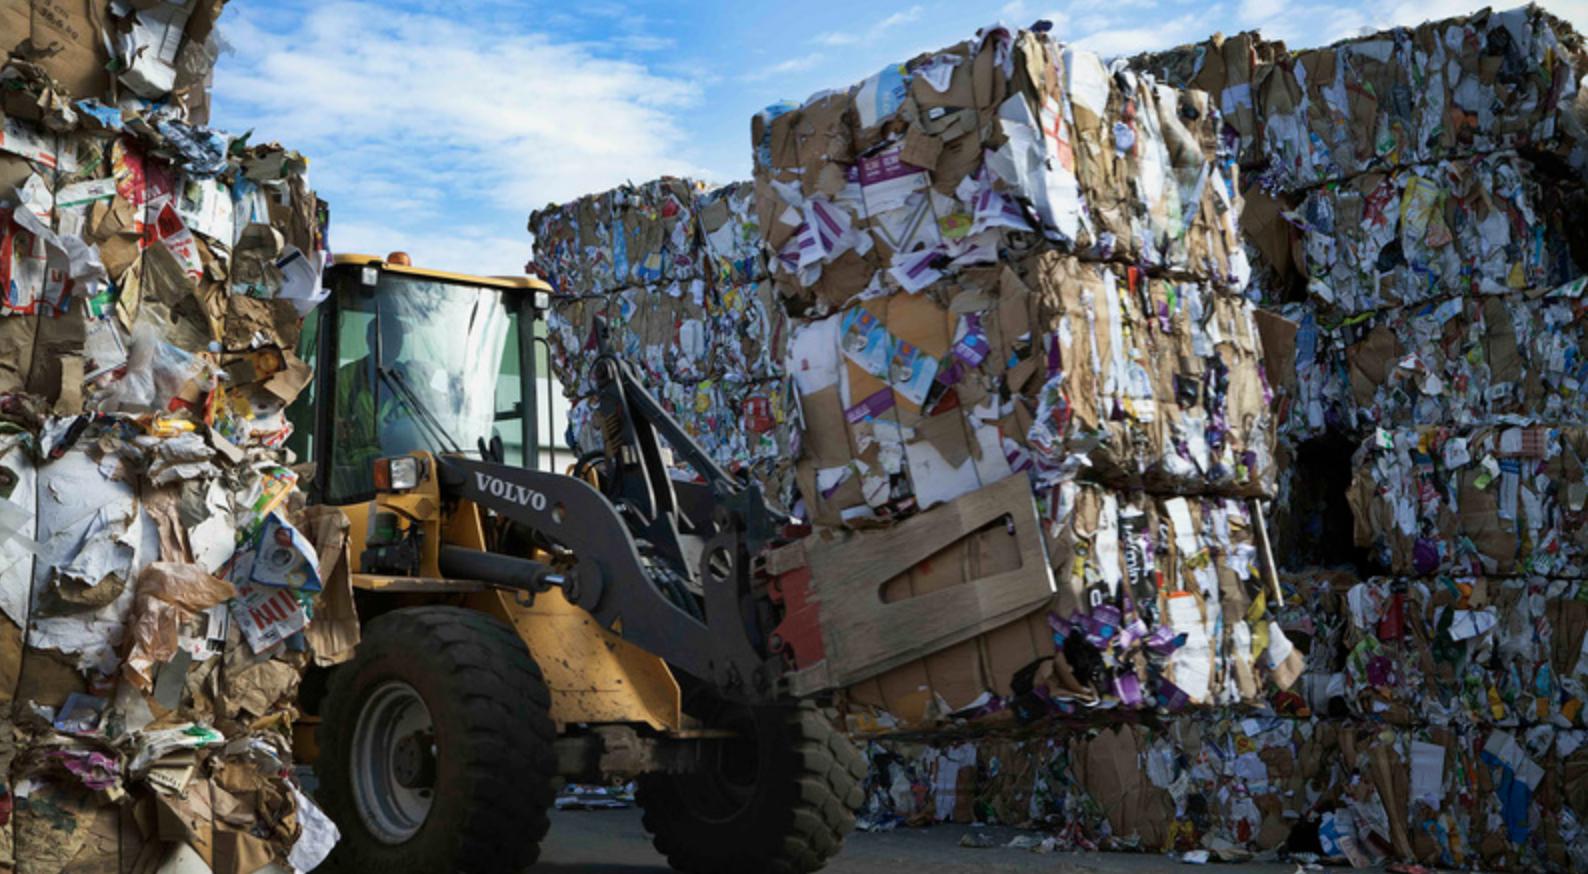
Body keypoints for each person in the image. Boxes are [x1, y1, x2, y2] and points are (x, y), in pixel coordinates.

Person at [331, 311, 438, 497]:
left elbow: (434, 416)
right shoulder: (347, 377)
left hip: (408, 467)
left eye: (398, 337)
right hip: (358, 470)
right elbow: (314, 419)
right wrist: (335, 425)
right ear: (370, 339)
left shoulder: (415, 379)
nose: (395, 342)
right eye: (388, 336)